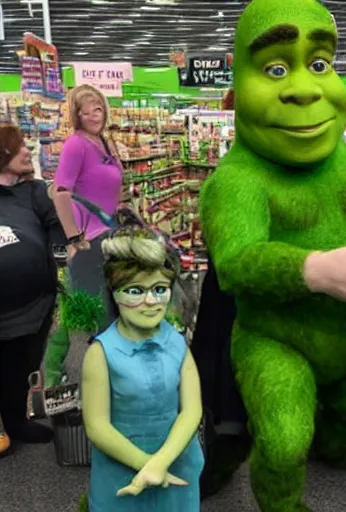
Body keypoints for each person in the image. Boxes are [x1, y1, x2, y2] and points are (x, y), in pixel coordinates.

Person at [194, 1, 346, 509]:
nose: (306, 89)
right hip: (276, 340)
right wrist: (316, 269)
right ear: (239, 83)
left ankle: (338, 450)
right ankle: (281, 501)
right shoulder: (237, 181)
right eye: (274, 68)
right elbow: (235, 263)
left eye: (319, 64)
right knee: (285, 438)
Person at [81, 224, 204, 511]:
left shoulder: (177, 343)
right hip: (121, 475)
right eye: (135, 291)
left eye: (159, 289)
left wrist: (160, 464)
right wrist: (146, 466)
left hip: (178, 466)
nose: (150, 301)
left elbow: (192, 410)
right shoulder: (101, 353)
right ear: (114, 292)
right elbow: (97, 425)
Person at [45, 84, 124, 387]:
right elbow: (61, 193)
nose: (93, 115)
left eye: (98, 108)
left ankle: (113, 378)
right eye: (85, 110)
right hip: (90, 241)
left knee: (115, 308)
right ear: (76, 115)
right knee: (100, 315)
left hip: (110, 236)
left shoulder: (104, 141)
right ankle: (100, 383)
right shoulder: (75, 144)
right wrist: (75, 238)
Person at [0, 125, 65, 456]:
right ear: (4, 155)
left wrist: (60, 257)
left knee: (21, 365)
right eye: (20, 147)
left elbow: (56, 227)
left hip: (34, 304)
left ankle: (15, 422)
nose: (29, 151)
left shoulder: (35, 191)